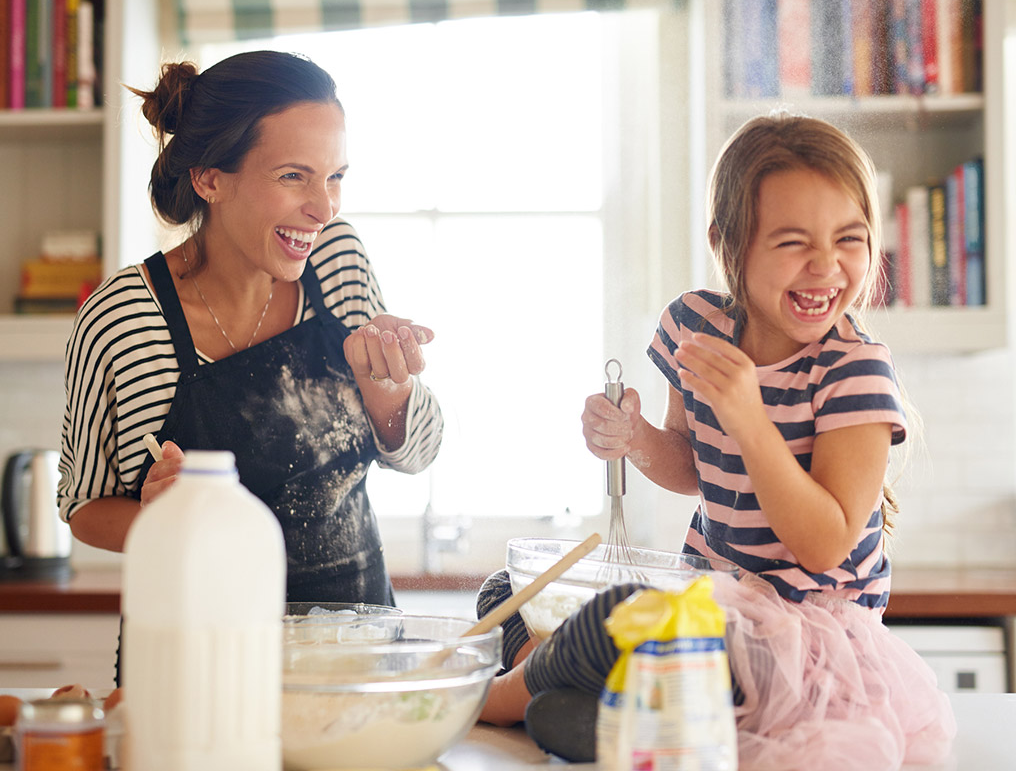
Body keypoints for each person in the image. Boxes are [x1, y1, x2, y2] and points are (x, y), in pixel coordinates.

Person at [475, 113, 955, 769]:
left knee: (619, 614)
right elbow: (693, 467)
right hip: (709, 611)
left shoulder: (855, 371)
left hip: (801, 647)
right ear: (727, 242)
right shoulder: (695, 326)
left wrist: (749, 418)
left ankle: (498, 695)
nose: (826, 266)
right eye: (792, 242)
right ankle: (571, 689)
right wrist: (634, 437)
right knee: (509, 590)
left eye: (850, 238)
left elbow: (823, 543)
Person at [58, 52, 443, 676]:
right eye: (294, 176)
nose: (325, 207)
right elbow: (85, 507)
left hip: (351, 662)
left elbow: (420, 451)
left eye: (335, 175)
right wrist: (163, 520)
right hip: (195, 668)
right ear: (210, 179)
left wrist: (387, 389)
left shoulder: (337, 262)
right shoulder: (126, 318)